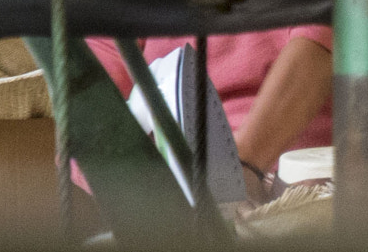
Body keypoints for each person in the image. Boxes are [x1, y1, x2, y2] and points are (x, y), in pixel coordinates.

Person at [91, 27, 331, 201]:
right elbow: (93, 107)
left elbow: (320, 43)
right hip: (169, 182)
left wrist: (239, 167)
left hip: (293, 176)